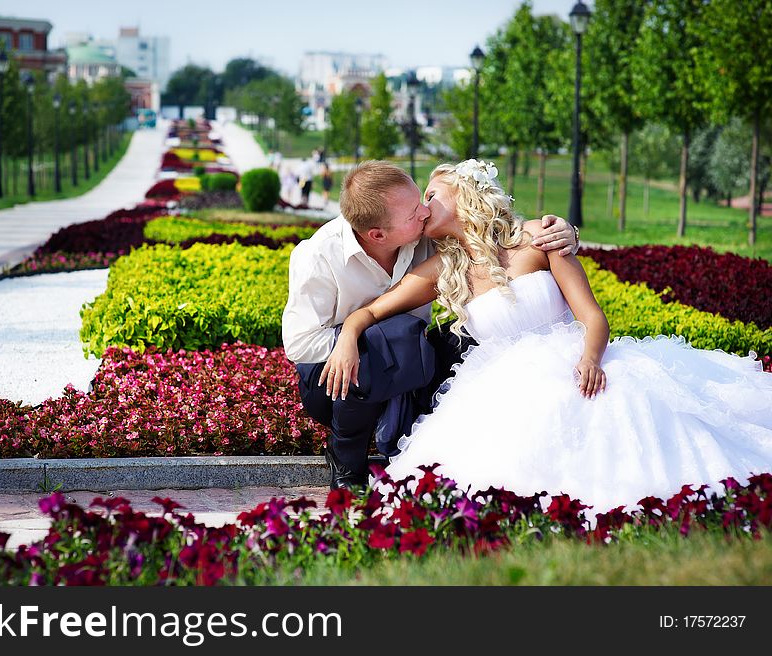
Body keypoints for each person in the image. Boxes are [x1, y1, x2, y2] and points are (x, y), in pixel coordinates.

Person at [320, 159, 772, 513]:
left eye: (432, 194)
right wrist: (349, 335)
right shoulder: (441, 268)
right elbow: (373, 310)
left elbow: (593, 317)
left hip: (579, 363)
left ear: (466, 194)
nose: (422, 209)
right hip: (503, 386)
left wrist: (591, 358)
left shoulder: (539, 238)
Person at [283, 160, 579, 489]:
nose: (424, 211)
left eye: (422, 200)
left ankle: (412, 440)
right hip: (333, 382)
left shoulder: (426, 234)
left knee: (456, 343)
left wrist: (566, 234)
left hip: (405, 362)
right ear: (378, 234)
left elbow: (483, 230)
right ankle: (346, 462)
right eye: (414, 211)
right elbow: (299, 344)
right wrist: (349, 341)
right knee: (395, 336)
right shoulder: (319, 255)